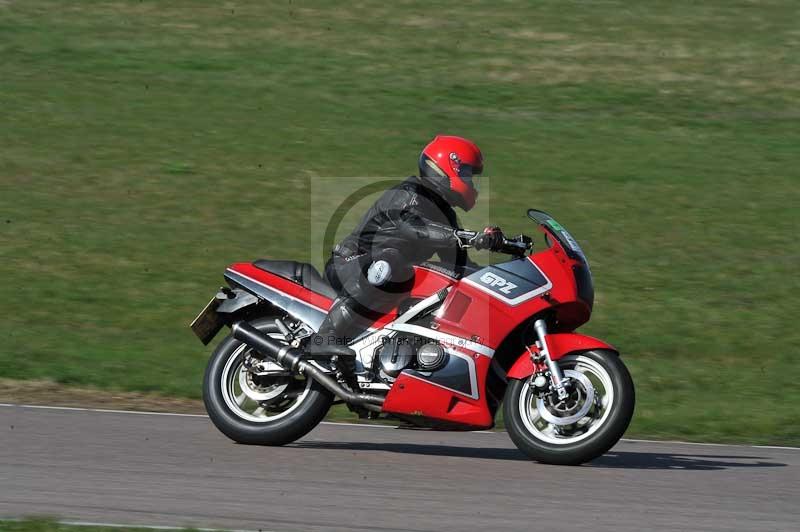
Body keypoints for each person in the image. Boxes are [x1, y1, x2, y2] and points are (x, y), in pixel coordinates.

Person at [306, 135, 507, 358]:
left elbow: (459, 265)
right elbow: (415, 228)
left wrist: (497, 278)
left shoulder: (445, 214)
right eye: (468, 174)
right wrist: (466, 236)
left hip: (384, 280)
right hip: (349, 264)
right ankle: (324, 337)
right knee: (390, 260)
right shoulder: (409, 194)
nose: (471, 183)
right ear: (450, 169)